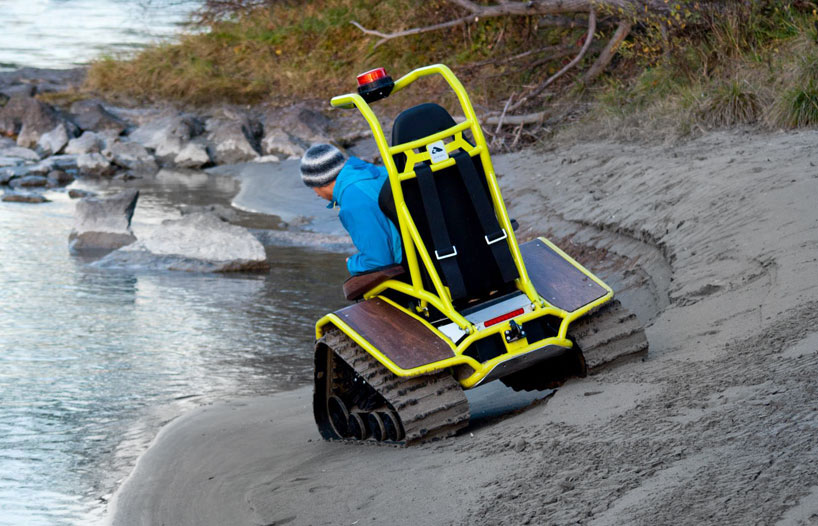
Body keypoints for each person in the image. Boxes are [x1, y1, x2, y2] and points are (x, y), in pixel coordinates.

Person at [300, 143, 402, 275]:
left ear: (321, 182)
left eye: (312, 187)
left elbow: (379, 262)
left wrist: (352, 263)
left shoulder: (353, 201)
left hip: (414, 267)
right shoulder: (376, 172)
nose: (316, 194)